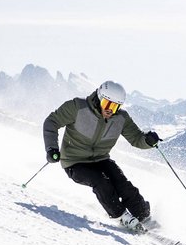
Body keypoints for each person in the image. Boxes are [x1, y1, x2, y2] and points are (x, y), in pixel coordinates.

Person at [43, 80, 161, 230]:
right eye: (107, 103)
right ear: (99, 97)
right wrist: (51, 149)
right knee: (100, 181)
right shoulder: (77, 107)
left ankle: (143, 216)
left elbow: (137, 139)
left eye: (115, 106)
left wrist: (148, 141)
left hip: (101, 159)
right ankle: (121, 216)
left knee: (122, 183)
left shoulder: (121, 118)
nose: (110, 110)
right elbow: (51, 122)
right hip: (75, 162)